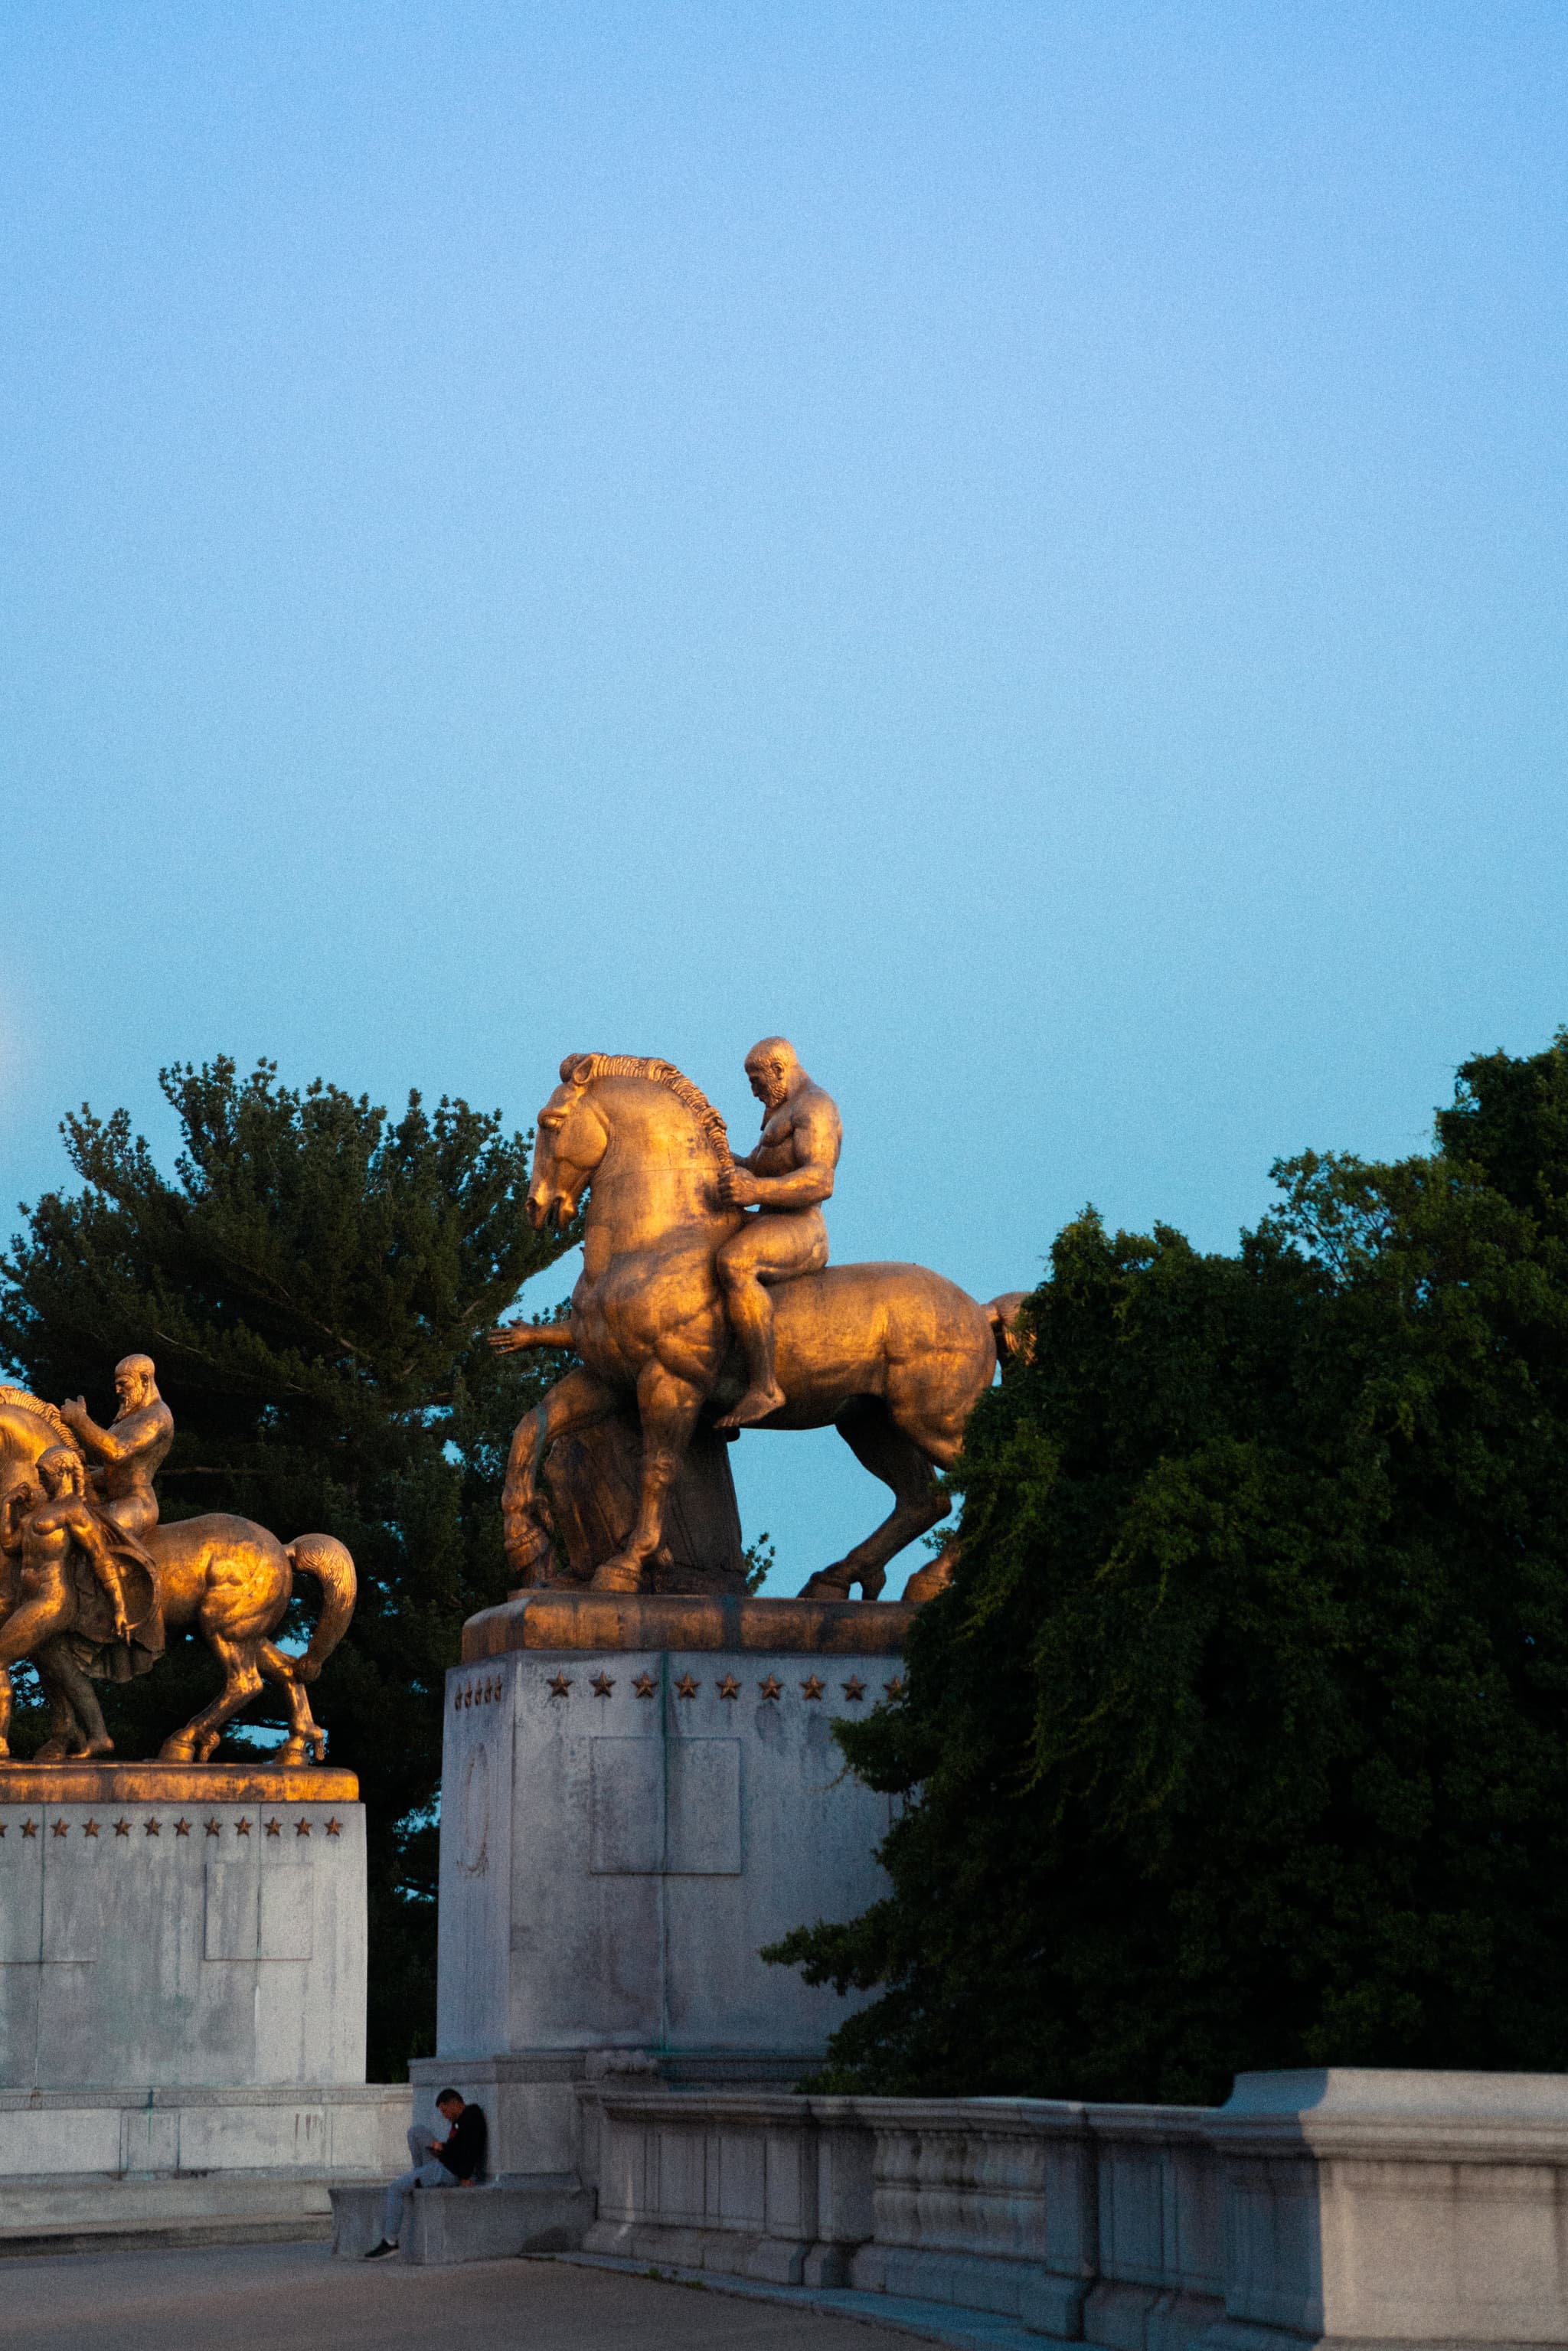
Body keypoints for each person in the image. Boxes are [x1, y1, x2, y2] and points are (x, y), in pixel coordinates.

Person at [714, 1037, 843, 1429]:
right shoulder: (782, 1109)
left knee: (733, 1262)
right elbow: (757, 1165)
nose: (753, 1090)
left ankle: (765, 1386)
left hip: (800, 1228)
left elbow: (821, 1180)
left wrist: (756, 1190)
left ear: (778, 1069)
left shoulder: (814, 1107)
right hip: (769, 1220)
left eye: (756, 1081)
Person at [59, 1353, 174, 1542]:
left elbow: (118, 1452)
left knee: (87, 1532)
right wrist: (75, 1474)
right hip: (117, 1503)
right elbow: (110, 1474)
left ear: (144, 1380)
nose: (118, 1390)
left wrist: (80, 1420)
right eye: (116, 1385)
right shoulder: (125, 1419)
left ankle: (109, 1572)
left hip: (137, 1505)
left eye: (123, 1383)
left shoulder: (157, 1416)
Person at [364, 2088, 487, 2258]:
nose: (444, 2115)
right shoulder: (460, 2120)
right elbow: (458, 2147)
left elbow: (469, 2150)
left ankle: (390, 2242)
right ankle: (419, 2175)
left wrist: (463, 2174)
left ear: (454, 2104)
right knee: (415, 2132)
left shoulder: (471, 2117)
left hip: (448, 2171)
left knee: (395, 2188)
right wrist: (440, 2149)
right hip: (443, 2163)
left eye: (444, 2110)